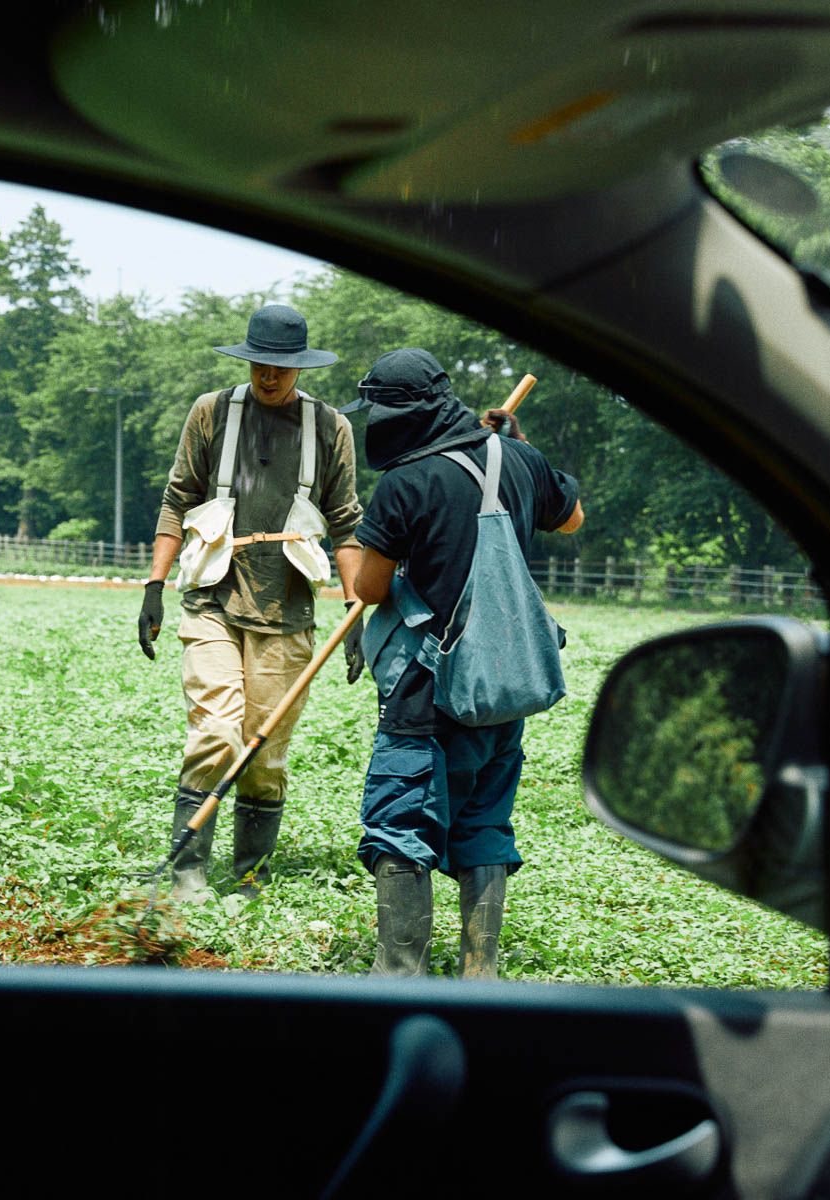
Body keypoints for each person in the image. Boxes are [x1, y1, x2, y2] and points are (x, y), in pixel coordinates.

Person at [342, 348, 583, 978]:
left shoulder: (407, 480)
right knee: (483, 821)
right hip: (502, 683)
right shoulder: (520, 459)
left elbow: (368, 588)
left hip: (427, 689)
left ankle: (399, 977)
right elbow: (572, 517)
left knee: (401, 822)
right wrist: (522, 449)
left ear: (402, 412)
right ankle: (481, 975)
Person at [137, 304, 366, 900]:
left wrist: (355, 609)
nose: (270, 377)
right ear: (249, 359)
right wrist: (154, 587)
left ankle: (247, 878)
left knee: (265, 754)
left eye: (282, 368)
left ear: (300, 367)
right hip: (212, 597)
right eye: (262, 364)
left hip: (288, 610)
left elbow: (345, 523)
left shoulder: (330, 427)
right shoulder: (212, 412)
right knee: (217, 733)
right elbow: (176, 499)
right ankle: (187, 871)